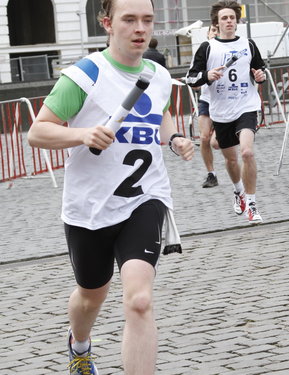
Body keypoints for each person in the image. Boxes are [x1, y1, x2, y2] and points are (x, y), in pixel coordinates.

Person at [27, 0, 193, 374]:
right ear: (107, 23)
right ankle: (80, 345)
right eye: (129, 19)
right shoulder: (85, 75)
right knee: (91, 295)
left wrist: (175, 138)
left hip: (145, 200)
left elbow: (160, 112)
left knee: (138, 300)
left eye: (147, 20)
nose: (140, 28)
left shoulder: (157, 74)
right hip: (90, 207)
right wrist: (84, 133)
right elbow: (37, 132)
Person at [186, 0, 266, 224]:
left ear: (237, 21)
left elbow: (260, 69)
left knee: (247, 153)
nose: (229, 21)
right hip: (221, 111)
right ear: (216, 23)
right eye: (224, 18)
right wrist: (207, 76)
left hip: (246, 106)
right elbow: (190, 78)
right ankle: (238, 191)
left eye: (232, 17)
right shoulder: (208, 48)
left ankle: (251, 203)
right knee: (231, 161)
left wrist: (260, 76)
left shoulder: (248, 44)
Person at [197, 25, 220, 188]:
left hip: (225, 101)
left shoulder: (228, 50)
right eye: (213, 30)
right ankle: (211, 174)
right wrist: (200, 79)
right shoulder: (203, 51)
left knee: (216, 143)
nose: (216, 33)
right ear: (207, 34)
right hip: (206, 99)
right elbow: (193, 76)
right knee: (204, 138)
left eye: (218, 30)